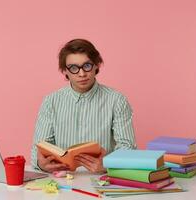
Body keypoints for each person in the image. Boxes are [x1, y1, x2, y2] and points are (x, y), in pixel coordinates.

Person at [31, 39, 136, 173]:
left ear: (96, 65)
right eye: (74, 68)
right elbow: (38, 150)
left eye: (87, 65)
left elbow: (128, 148)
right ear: (65, 71)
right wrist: (41, 164)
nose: (82, 74)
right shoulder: (51, 102)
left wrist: (108, 165)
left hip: (102, 179)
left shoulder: (117, 100)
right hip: (62, 181)